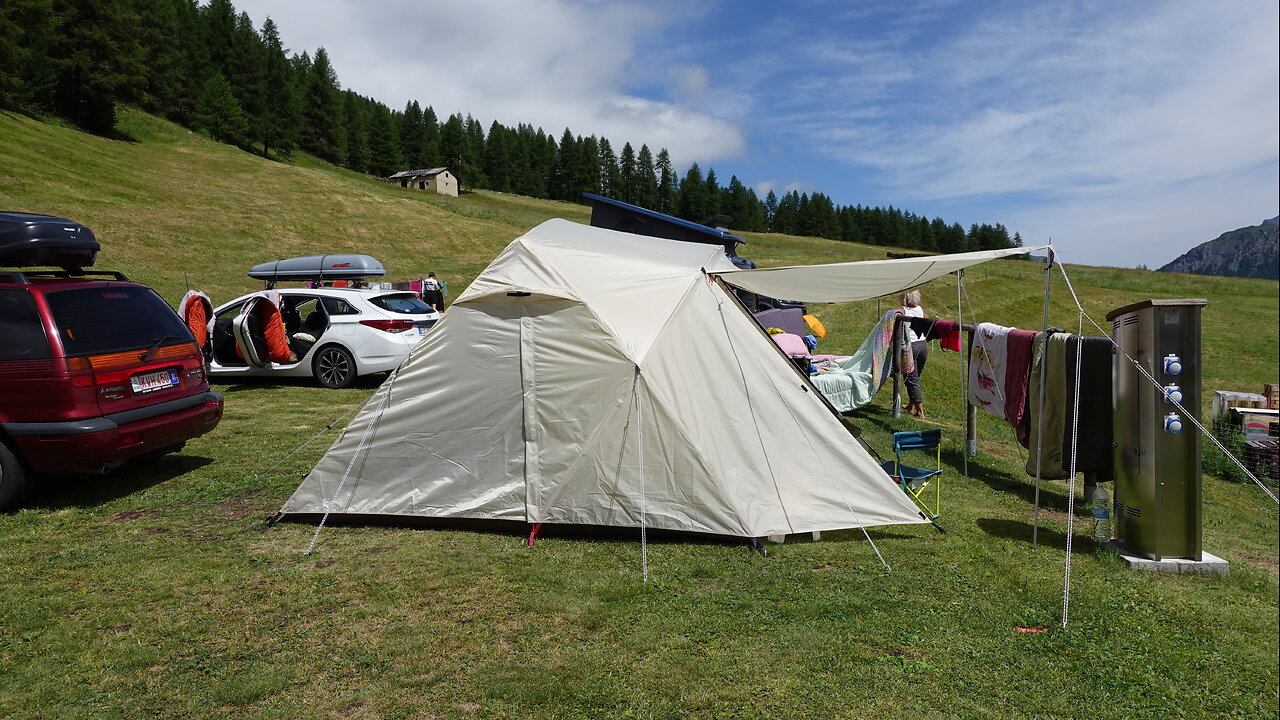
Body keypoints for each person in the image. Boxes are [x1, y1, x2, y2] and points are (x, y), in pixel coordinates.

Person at [900, 289, 929, 418]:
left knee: (911, 378)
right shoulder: (920, 309)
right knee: (915, 377)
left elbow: (895, 316)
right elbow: (927, 319)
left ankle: (920, 411)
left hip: (910, 347)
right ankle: (911, 406)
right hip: (922, 345)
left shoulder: (903, 310)